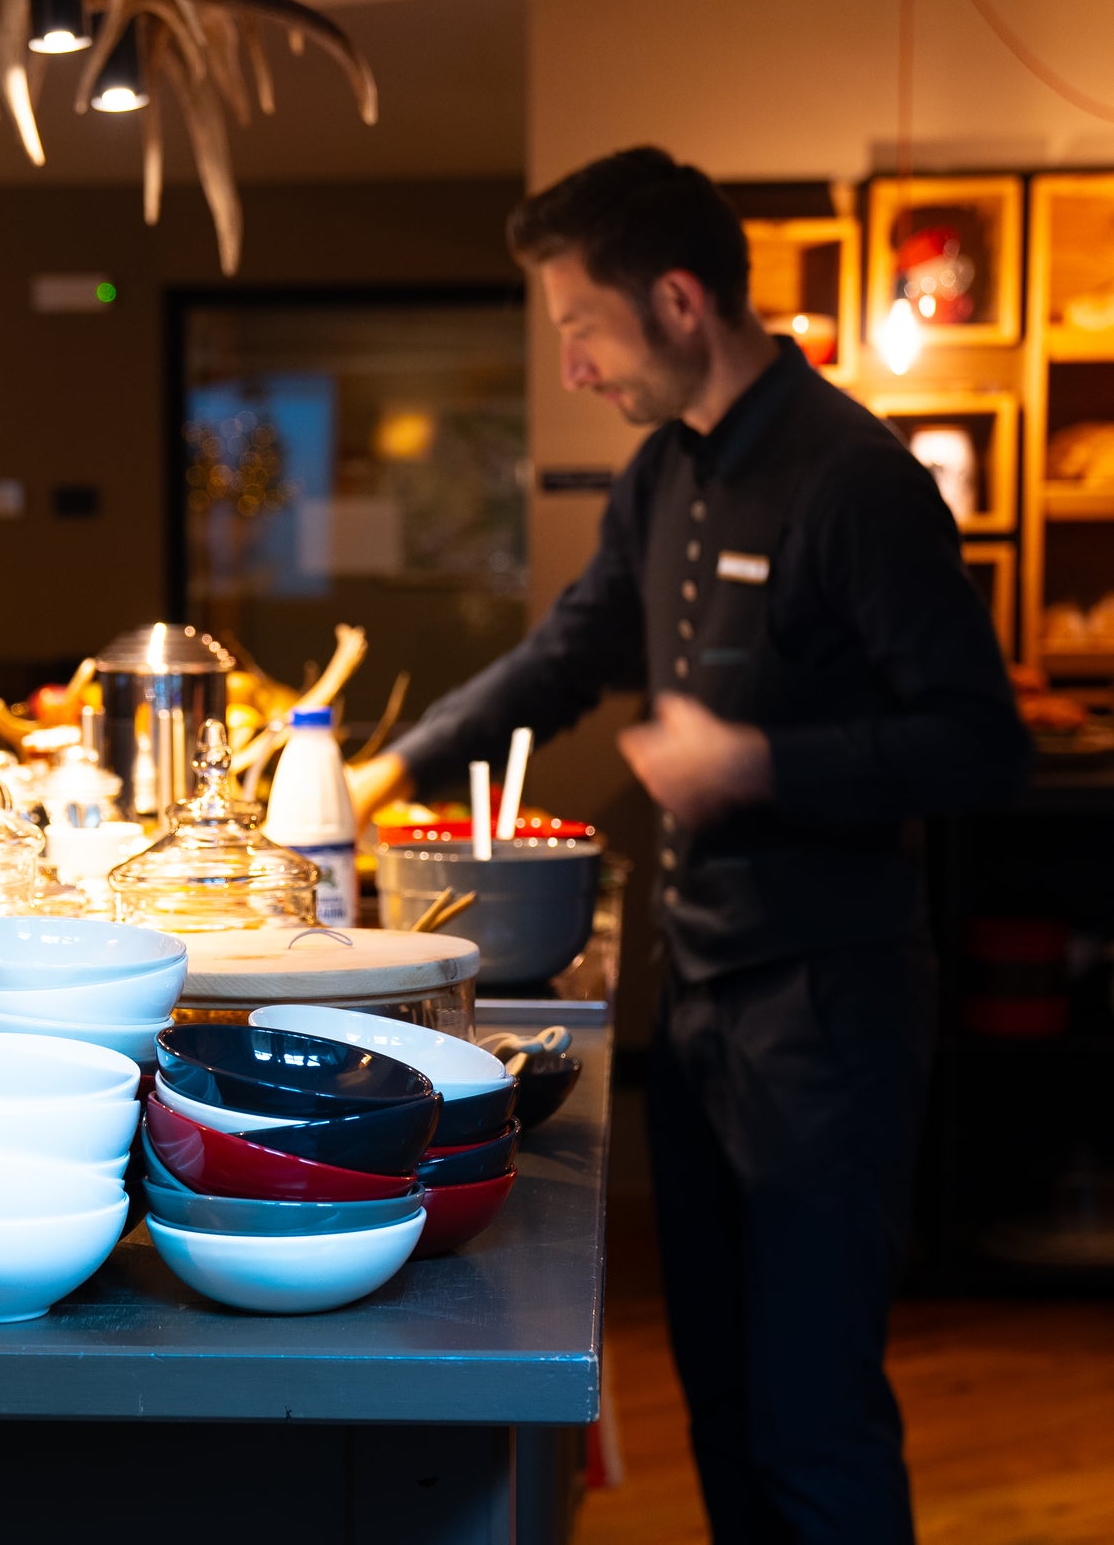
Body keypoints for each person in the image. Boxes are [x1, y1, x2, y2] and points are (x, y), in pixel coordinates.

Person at [348, 147, 1029, 1545]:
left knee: (810, 1407)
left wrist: (758, 761)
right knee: (718, 1389)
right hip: (705, 995)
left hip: (828, 1006)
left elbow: (979, 744)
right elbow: (566, 652)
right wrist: (384, 772)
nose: (577, 369)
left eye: (582, 329)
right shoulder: (663, 474)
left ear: (674, 300)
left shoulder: (856, 479)